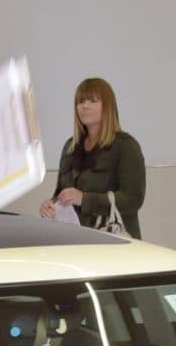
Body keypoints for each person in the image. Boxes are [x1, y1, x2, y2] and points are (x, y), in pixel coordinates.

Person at [41, 77, 146, 237]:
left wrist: (84, 199)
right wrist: (50, 205)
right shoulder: (70, 147)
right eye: (80, 101)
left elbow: (132, 199)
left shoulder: (125, 146)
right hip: (76, 242)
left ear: (107, 107)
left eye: (93, 101)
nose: (85, 106)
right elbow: (61, 194)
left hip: (115, 246)